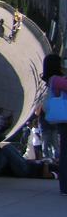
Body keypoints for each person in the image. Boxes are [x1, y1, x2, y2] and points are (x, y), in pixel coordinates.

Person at [40, 53, 66, 196]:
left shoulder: (53, 79)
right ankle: (65, 185)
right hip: (65, 119)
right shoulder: (56, 79)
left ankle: (64, 185)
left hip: (62, 119)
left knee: (63, 150)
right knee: (63, 151)